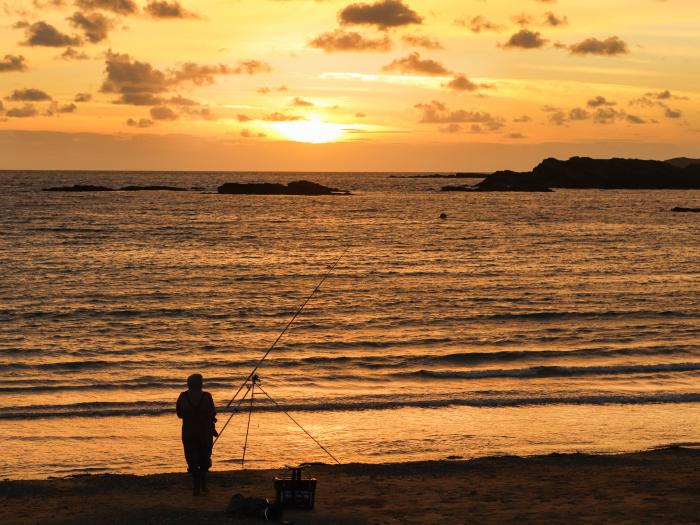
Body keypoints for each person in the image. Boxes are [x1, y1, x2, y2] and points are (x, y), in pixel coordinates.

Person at [176, 373, 218, 495]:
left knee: (191, 457)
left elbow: (179, 414)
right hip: (205, 431)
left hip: (188, 431)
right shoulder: (207, 396)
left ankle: (196, 487)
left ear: (189, 384)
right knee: (205, 456)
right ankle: (204, 486)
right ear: (200, 384)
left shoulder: (183, 396)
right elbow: (212, 413)